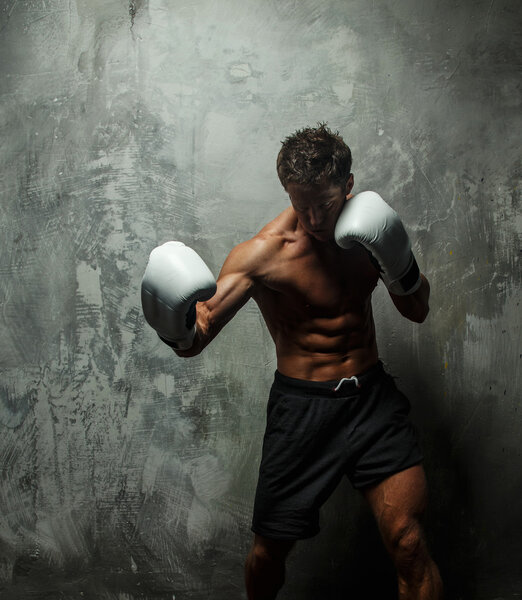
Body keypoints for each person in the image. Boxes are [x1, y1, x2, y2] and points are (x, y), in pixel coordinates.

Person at [141, 124, 443, 599]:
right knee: (269, 553)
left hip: (372, 402)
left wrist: (401, 266)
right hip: (303, 411)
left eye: (324, 203)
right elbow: (195, 338)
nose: (313, 217)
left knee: (408, 542)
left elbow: (417, 310)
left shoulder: (370, 234)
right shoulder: (263, 256)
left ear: (347, 186)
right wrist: (169, 319)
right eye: (300, 204)